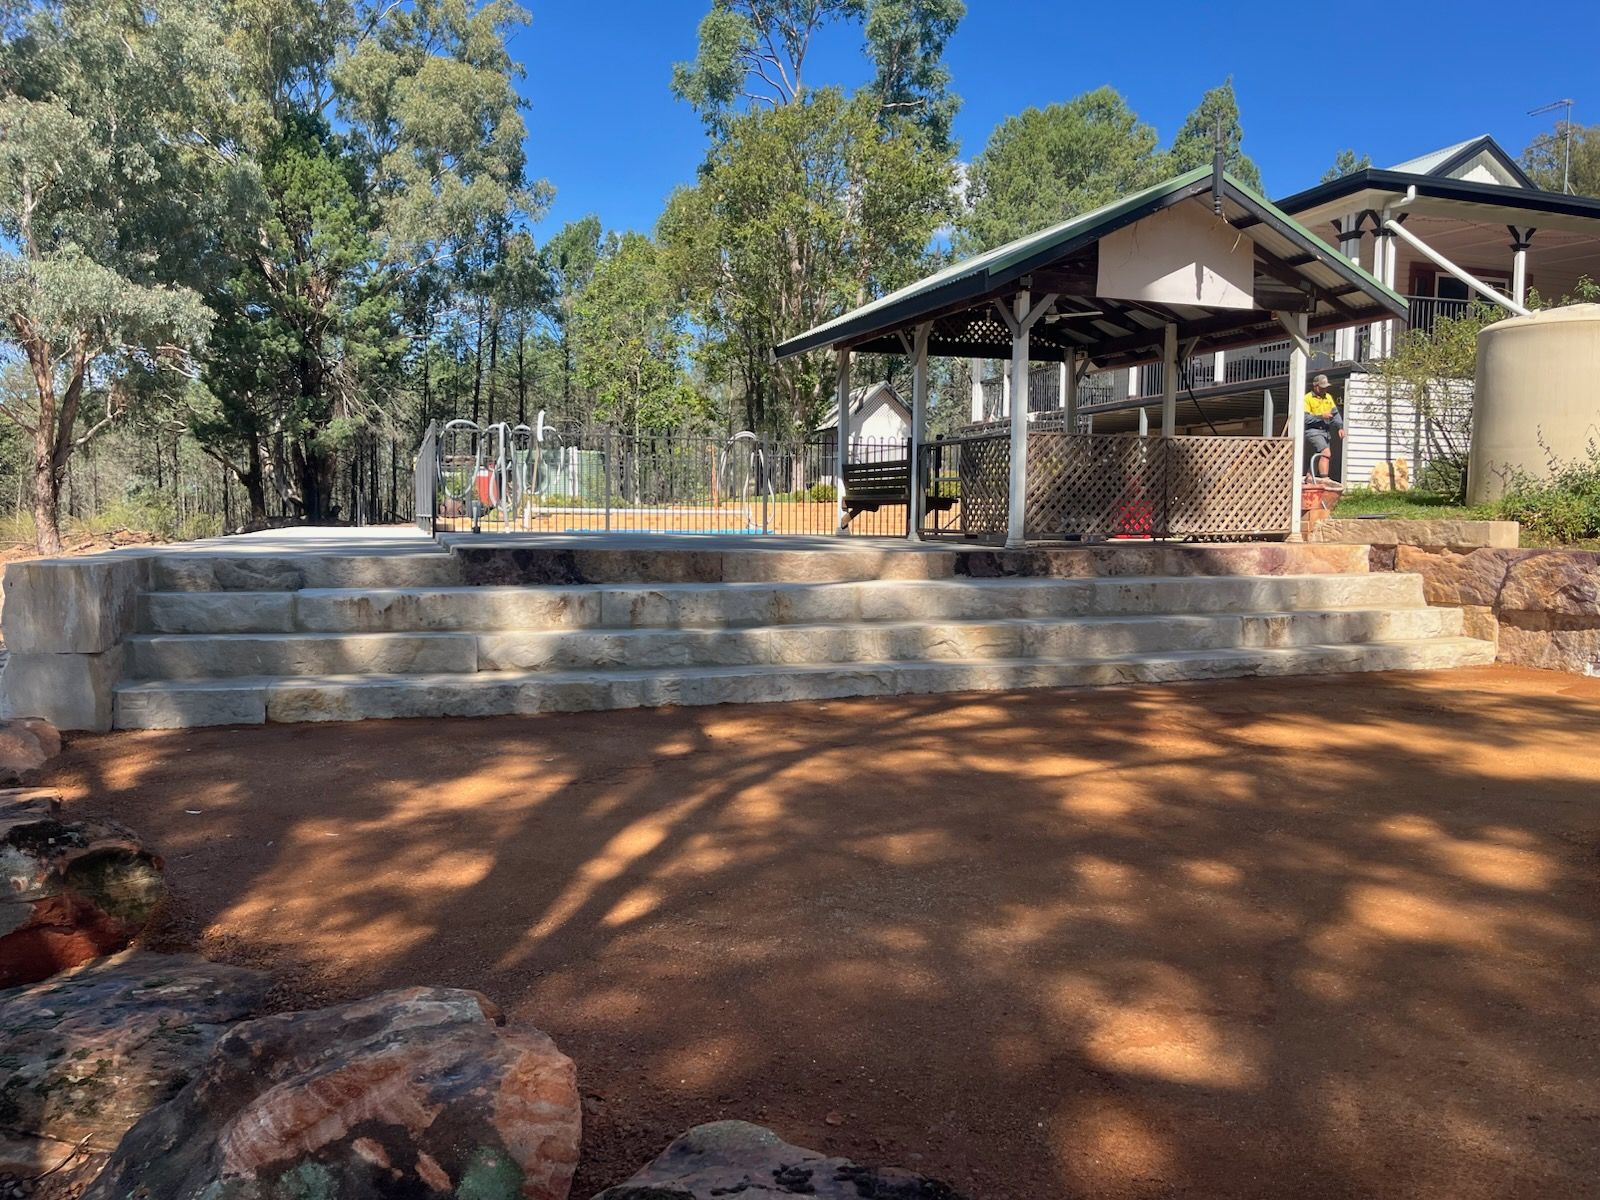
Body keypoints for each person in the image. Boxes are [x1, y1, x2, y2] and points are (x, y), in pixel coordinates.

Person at [1303, 373, 1344, 480]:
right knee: (1325, 453)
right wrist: (1321, 416)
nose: (1324, 390)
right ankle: (1325, 479)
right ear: (1315, 386)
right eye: (1322, 388)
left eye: (1325, 387)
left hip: (1325, 431)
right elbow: (1305, 418)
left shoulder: (1328, 397)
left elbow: (1335, 413)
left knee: (1319, 455)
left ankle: (1309, 477)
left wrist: (1340, 427)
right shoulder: (1307, 398)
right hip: (1313, 431)